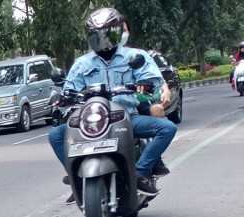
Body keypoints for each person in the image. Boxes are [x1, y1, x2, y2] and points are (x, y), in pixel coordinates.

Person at [49, 7, 176, 201]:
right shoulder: (82, 64)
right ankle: (76, 179)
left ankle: (140, 173)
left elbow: (152, 79)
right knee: (56, 135)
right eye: (96, 34)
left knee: (166, 128)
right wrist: (62, 98)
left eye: (106, 33)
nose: (101, 38)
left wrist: (146, 84)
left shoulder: (134, 56)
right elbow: (69, 89)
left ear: (116, 33)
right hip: (92, 121)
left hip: (126, 117)